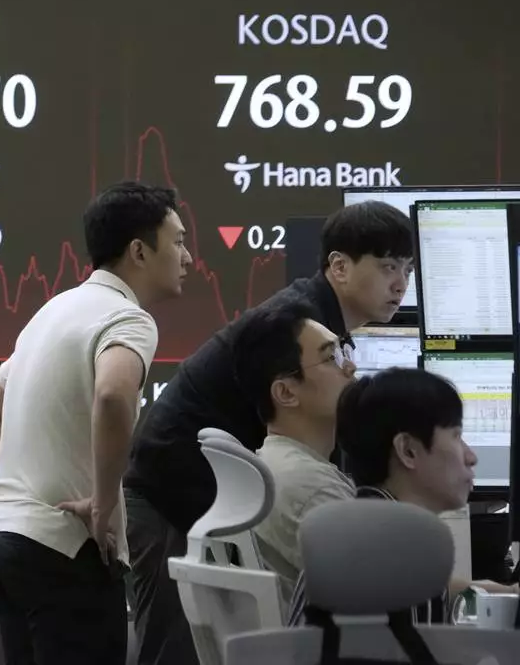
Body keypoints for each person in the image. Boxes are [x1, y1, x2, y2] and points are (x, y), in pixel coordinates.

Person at [124, 200, 412, 665]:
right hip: (168, 493)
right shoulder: (295, 323)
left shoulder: (312, 319)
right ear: (338, 266)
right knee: (175, 650)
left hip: (194, 491)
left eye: (406, 268)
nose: (400, 282)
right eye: (386, 266)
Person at [0, 182, 192, 665]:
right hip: (64, 552)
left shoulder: (52, 310)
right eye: (177, 241)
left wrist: (12, 494)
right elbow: (113, 394)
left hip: (2, 542)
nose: (188, 256)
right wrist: (104, 500)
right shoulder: (127, 318)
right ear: (139, 250)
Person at [288, 367, 518, 625]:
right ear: (408, 450)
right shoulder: (399, 549)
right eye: (456, 436)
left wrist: (507, 592)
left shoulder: (368, 529)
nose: (471, 457)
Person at [228, 299, 357, 609]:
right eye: (331, 358)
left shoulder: (274, 465)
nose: (350, 366)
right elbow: (390, 593)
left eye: (344, 352)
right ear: (286, 393)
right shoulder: (312, 488)